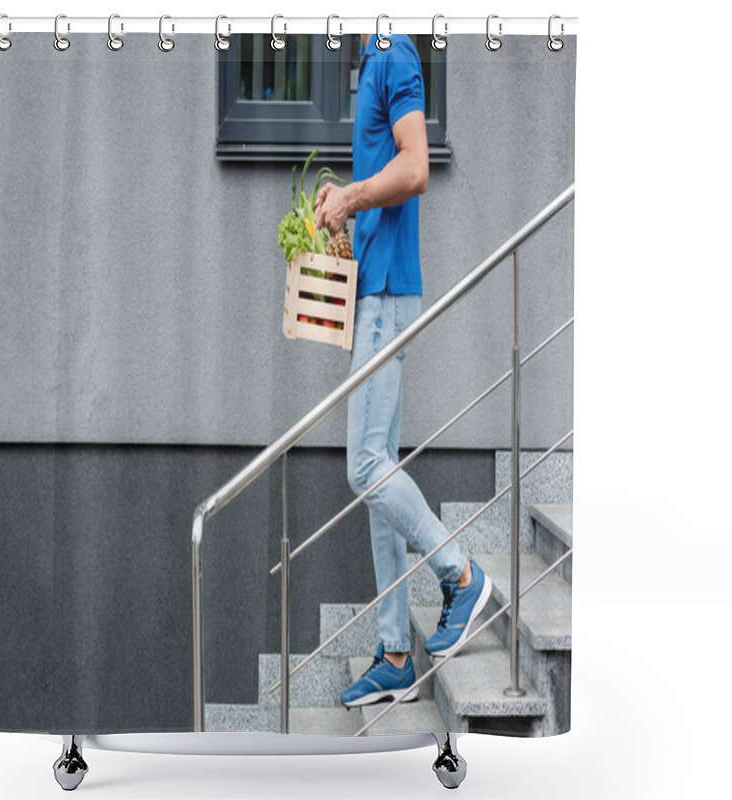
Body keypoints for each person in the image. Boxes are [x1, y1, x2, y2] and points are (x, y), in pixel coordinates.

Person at [315, 33, 493, 708]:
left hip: (388, 295)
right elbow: (388, 165)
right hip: (375, 290)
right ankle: (394, 652)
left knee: (364, 466)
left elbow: (415, 168)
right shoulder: (371, 56)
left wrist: (353, 196)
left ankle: (462, 574)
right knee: (378, 464)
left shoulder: (393, 51)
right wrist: (343, 197)